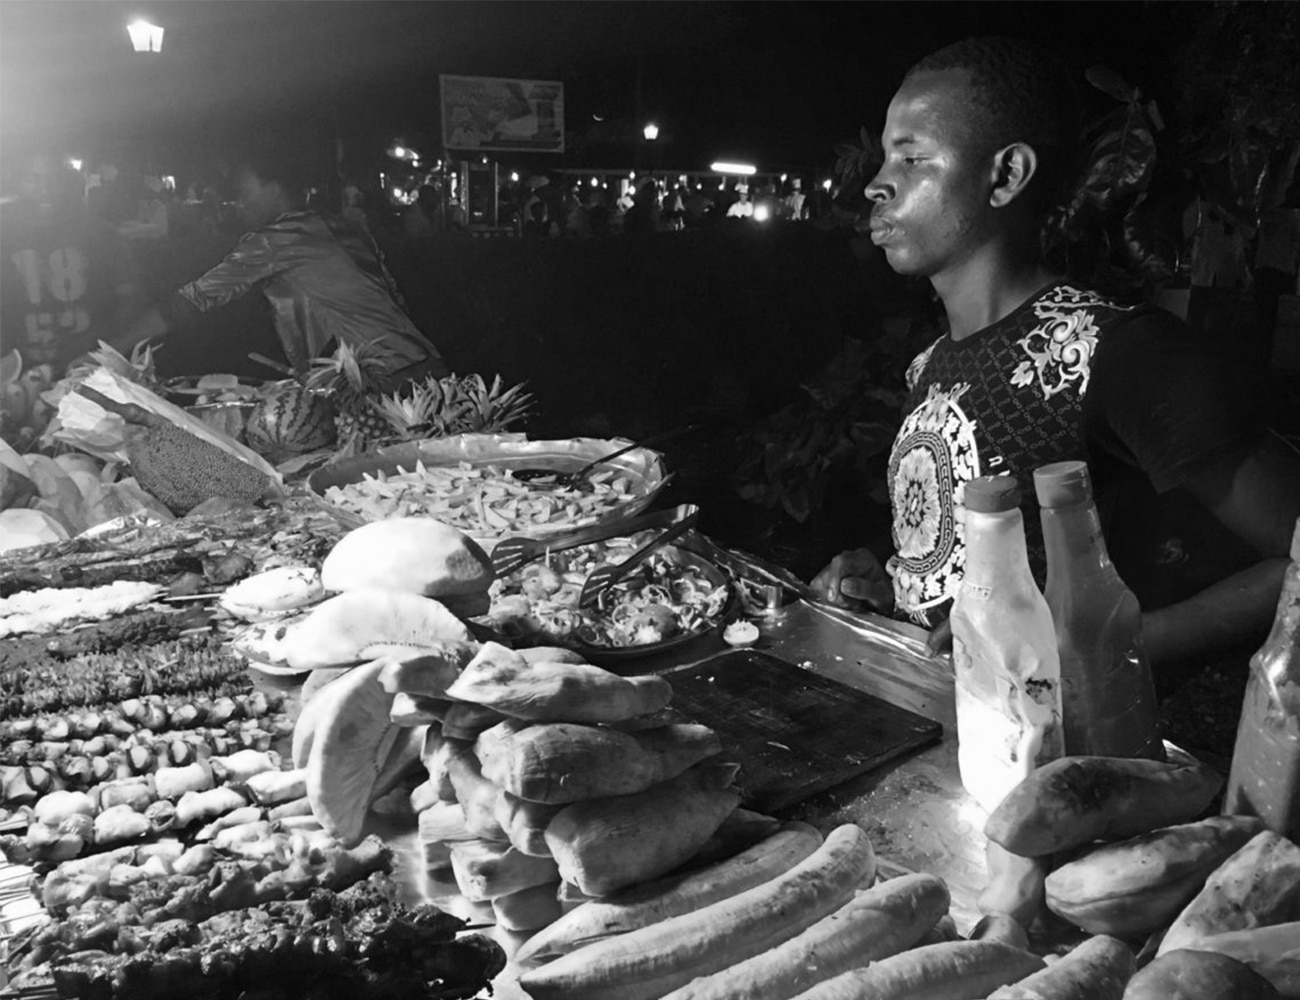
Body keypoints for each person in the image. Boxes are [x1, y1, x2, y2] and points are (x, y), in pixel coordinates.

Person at [810, 36, 1300, 683]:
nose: (876, 184)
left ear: (1006, 175)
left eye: (911, 158)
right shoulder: (929, 364)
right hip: (947, 751)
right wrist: (898, 579)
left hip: (1073, 757)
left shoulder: (1111, 350)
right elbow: (975, 558)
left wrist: (1099, 647)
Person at [112, 147, 447, 391]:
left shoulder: (277, 239)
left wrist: (108, 347)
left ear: (273, 190)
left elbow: (190, 301)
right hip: (427, 369)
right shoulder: (341, 227)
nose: (241, 202)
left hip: (385, 384)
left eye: (246, 191)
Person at [1, 158, 142, 372]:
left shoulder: (100, 233)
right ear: (15, 181)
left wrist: (107, 348)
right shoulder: (4, 234)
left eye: (53, 179)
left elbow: (133, 302)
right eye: (32, 179)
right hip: (17, 374)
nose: (45, 190)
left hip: (91, 369)